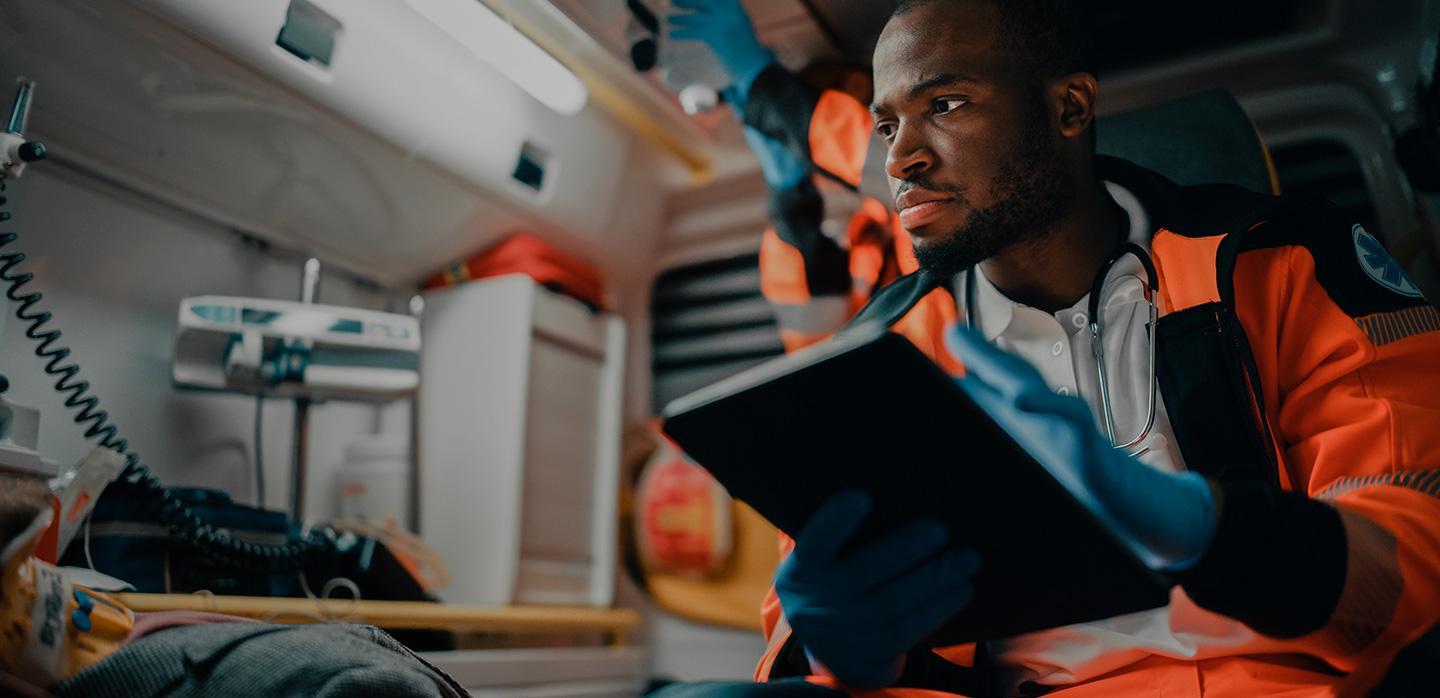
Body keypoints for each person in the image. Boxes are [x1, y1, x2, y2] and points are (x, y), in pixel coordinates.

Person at [659, 0, 1440, 696]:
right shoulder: (883, 353)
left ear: (1070, 107)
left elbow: (1414, 536)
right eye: (887, 125)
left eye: (948, 102)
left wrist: (1215, 530)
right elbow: (806, 629)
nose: (897, 161)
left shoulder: (1286, 257)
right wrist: (831, 655)